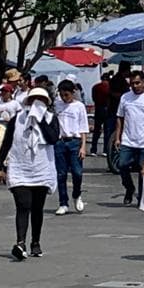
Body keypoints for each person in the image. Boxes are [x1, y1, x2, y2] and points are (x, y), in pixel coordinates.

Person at [0, 88, 60, 261]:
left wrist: (40, 121)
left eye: (41, 100)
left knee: (37, 208)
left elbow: (53, 138)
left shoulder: (50, 118)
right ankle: (20, 242)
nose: (36, 104)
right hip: (20, 167)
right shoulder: (17, 120)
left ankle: (35, 241)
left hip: (41, 169)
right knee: (23, 205)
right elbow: (7, 142)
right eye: (34, 100)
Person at [114, 71, 144, 207]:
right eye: (132, 84)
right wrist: (117, 137)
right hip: (128, 140)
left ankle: (142, 197)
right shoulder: (125, 97)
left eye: (137, 83)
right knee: (122, 165)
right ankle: (129, 188)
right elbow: (120, 117)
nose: (135, 86)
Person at [53, 79, 89, 215]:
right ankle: (63, 202)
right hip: (60, 141)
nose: (64, 97)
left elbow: (83, 127)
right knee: (61, 174)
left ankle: (76, 194)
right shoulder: (57, 105)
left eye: (66, 95)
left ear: (72, 93)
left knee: (77, 172)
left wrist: (83, 146)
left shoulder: (79, 106)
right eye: (62, 95)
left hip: (75, 141)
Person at [90, 71, 112, 156]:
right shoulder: (110, 87)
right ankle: (105, 150)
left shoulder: (95, 87)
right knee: (107, 131)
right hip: (107, 109)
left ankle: (93, 149)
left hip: (98, 109)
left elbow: (94, 98)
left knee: (97, 130)